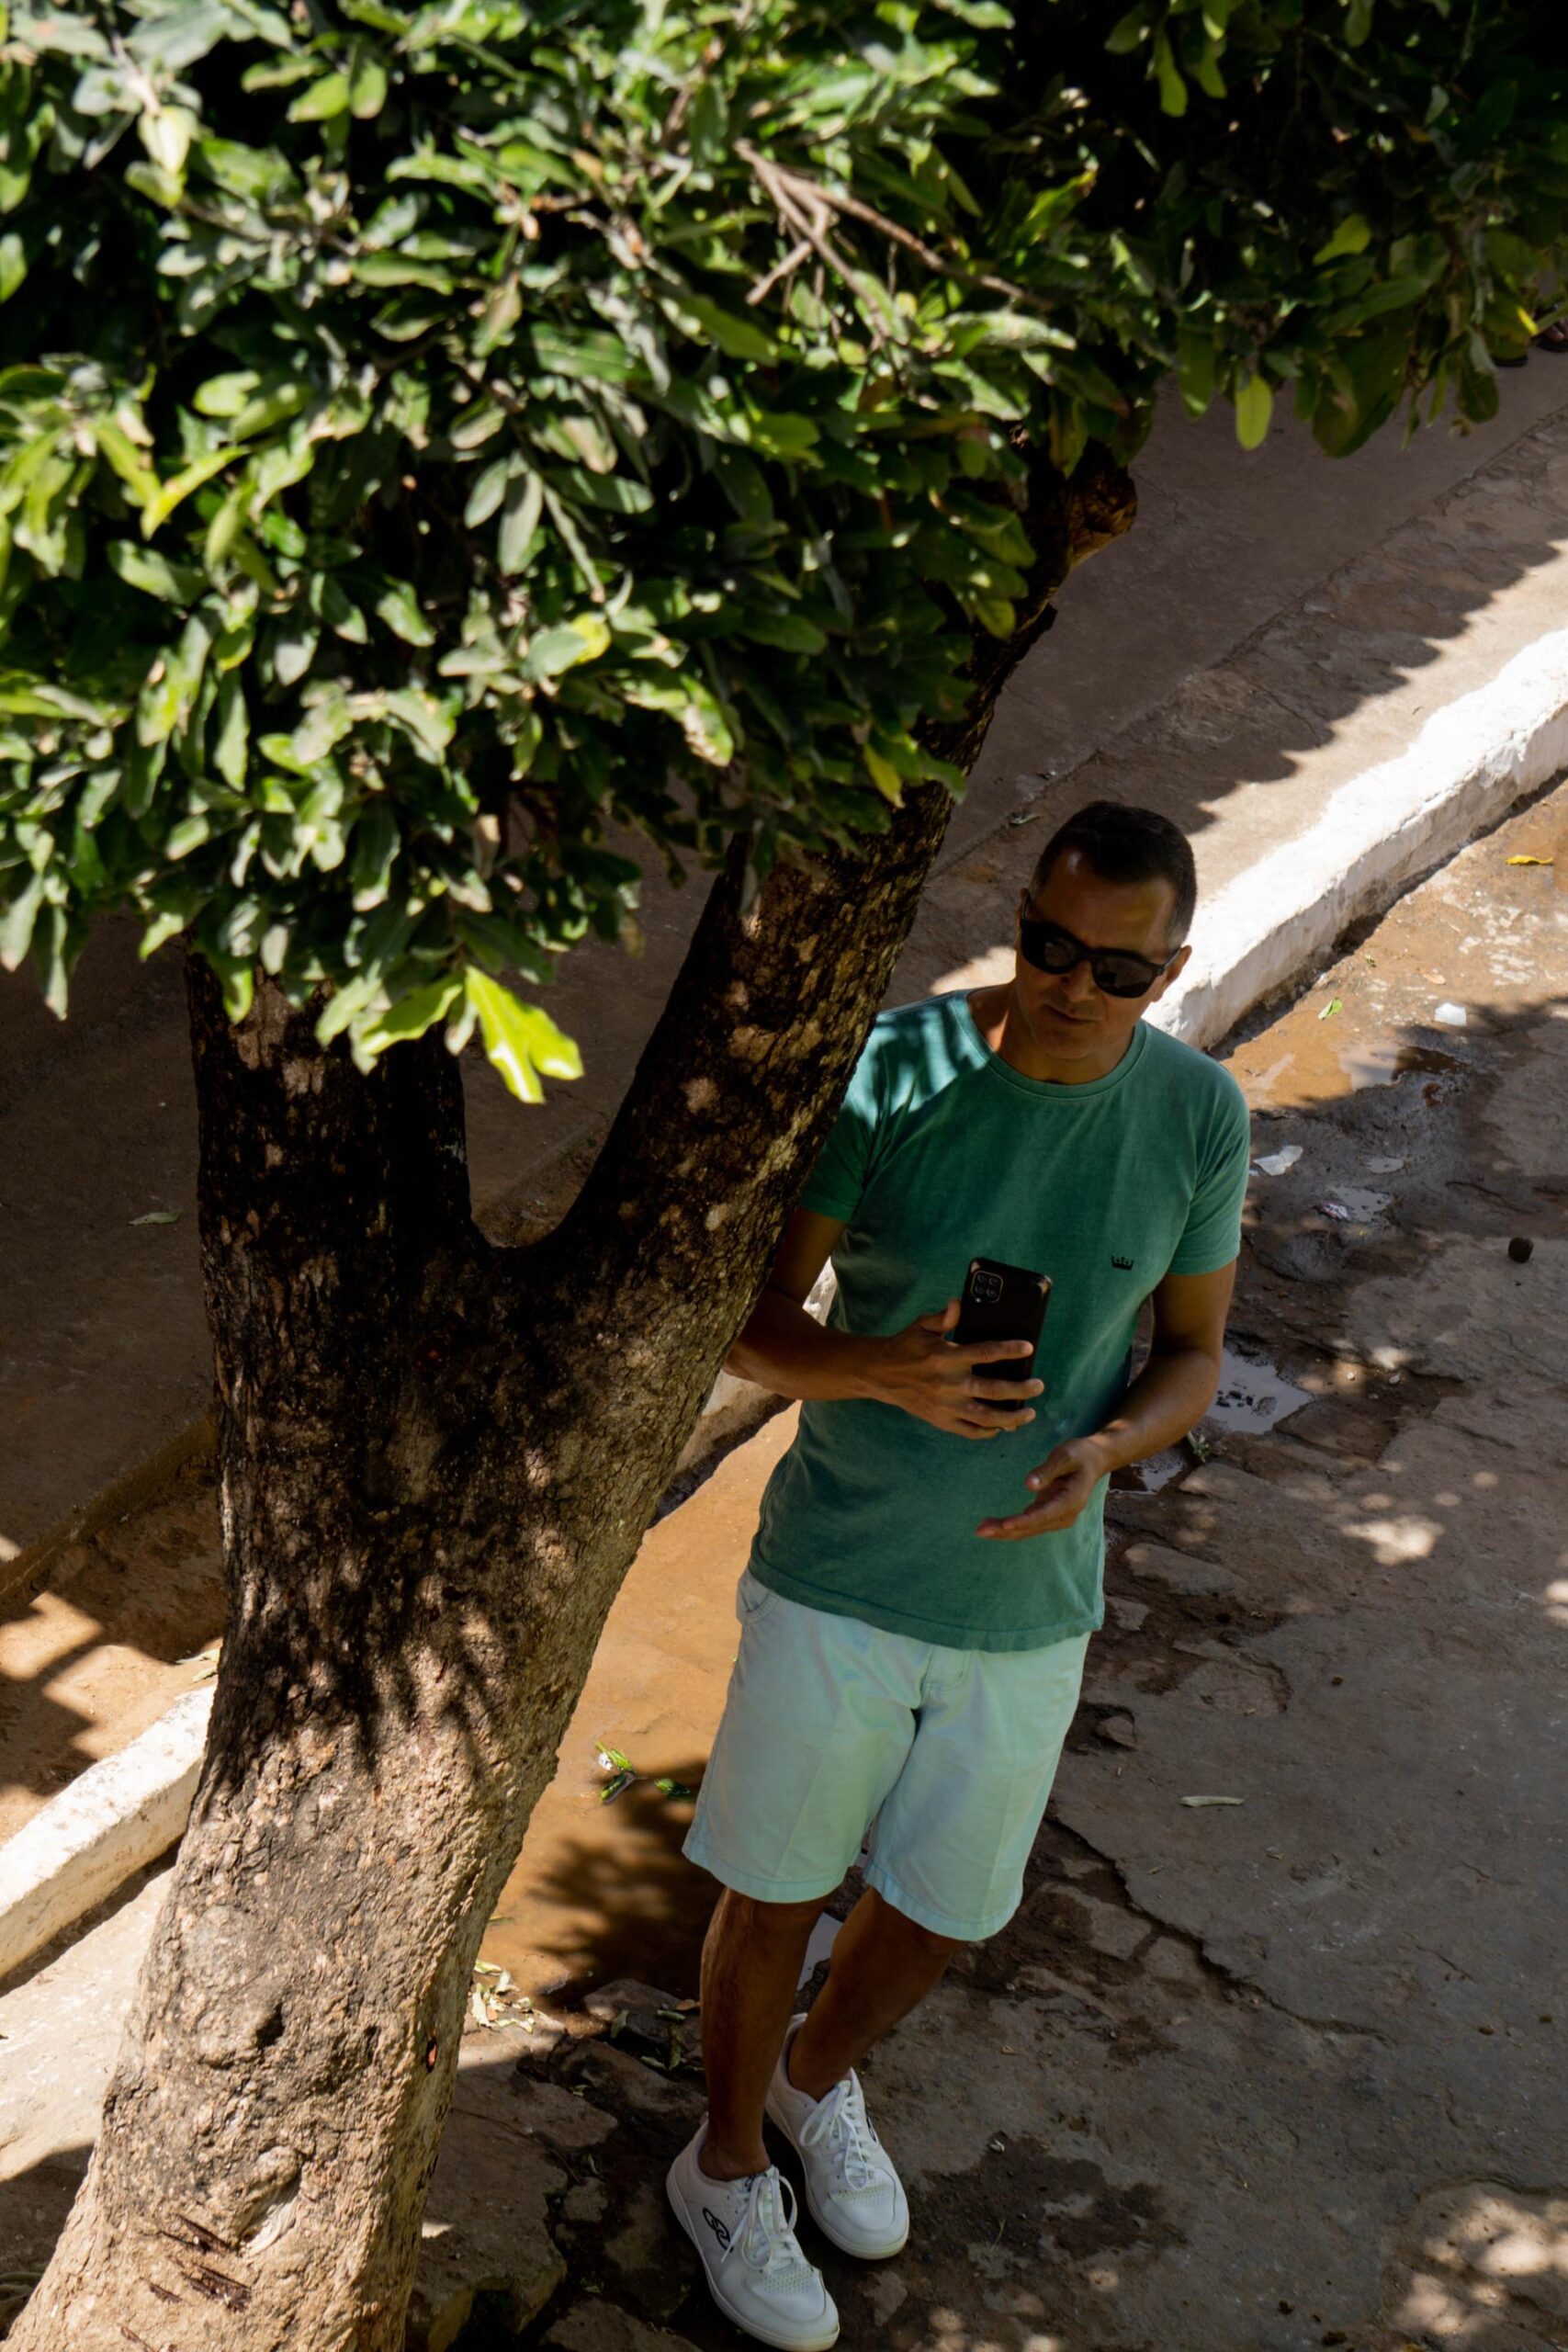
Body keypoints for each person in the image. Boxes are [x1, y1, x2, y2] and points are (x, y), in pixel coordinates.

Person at [665, 800, 1251, 2350]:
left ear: (1170, 970)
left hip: (1029, 1605)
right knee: (776, 1893)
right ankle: (723, 2167)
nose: (1072, 986)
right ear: (1020, 921)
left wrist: (1111, 1446)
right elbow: (748, 1317)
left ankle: (811, 2086)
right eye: (1049, 946)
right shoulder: (897, 1070)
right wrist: (880, 1369)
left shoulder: (1198, 1116)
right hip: (843, 1574)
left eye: (1117, 970)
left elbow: (1195, 1352)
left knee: (941, 1908)